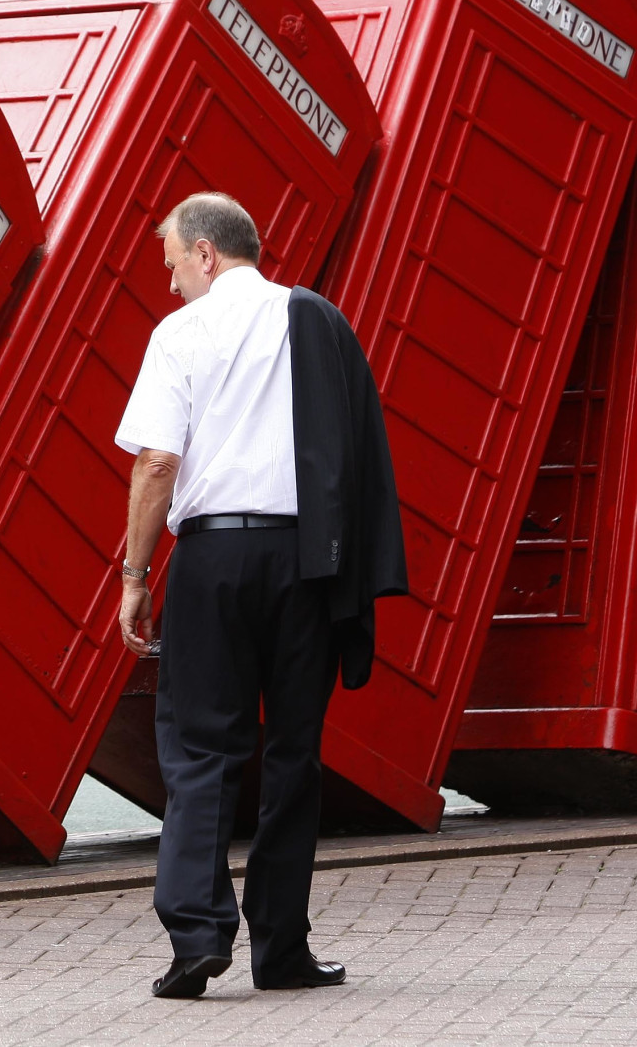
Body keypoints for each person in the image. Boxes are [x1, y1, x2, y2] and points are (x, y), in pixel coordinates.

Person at [114, 192, 407, 1000]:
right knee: (293, 755)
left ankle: (196, 940)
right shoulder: (318, 321)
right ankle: (282, 950)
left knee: (202, 749)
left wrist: (136, 578)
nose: (170, 281)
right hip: (308, 560)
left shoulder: (180, 334)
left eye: (173, 260)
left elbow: (156, 465)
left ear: (206, 254)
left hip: (211, 560)